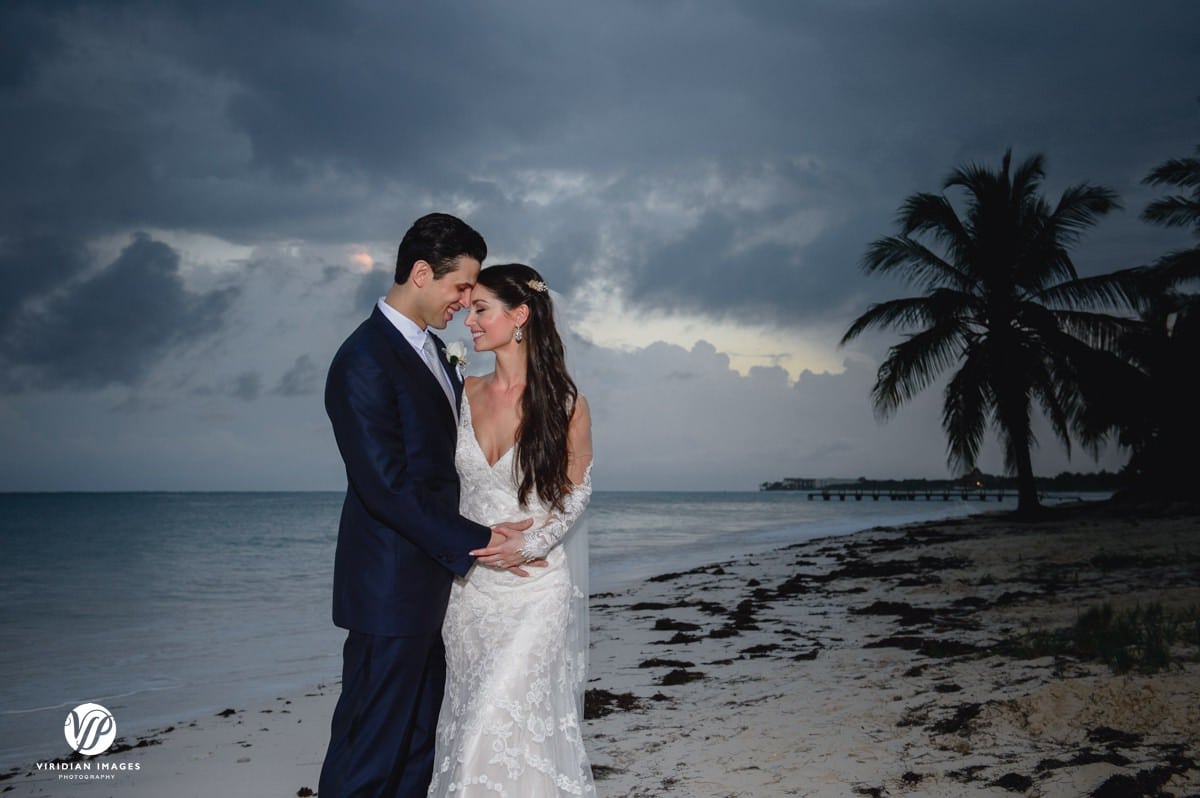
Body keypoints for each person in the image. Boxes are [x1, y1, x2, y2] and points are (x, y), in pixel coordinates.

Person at [320, 214, 536, 798]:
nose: (467, 302)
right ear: (421, 274)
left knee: (417, 748)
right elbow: (385, 486)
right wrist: (479, 539)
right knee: (367, 752)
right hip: (388, 594)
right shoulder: (363, 359)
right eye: (461, 287)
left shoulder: (435, 352)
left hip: (434, 591)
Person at [428, 263, 595, 797]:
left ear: (519, 315)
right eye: (469, 308)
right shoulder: (461, 392)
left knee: (495, 724)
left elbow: (575, 494)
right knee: (471, 719)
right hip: (469, 594)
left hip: (534, 593)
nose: (468, 322)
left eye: (481, 310)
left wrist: (529, 543)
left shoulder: (566, 403)